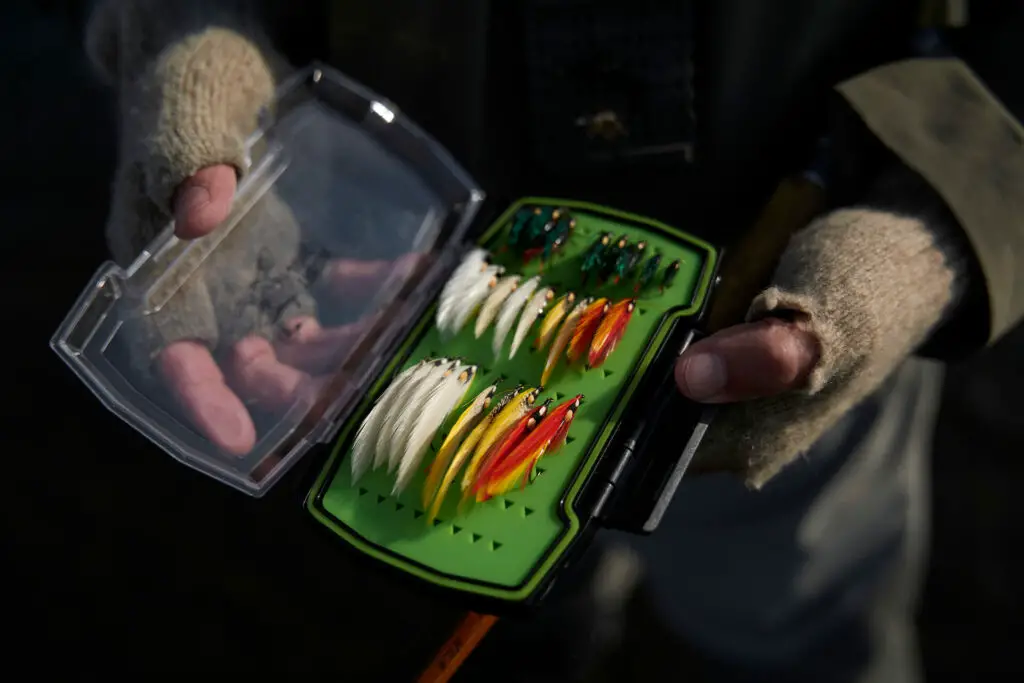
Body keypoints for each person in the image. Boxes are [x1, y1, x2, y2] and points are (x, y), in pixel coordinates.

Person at [82, 0, 1024, 681]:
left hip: (788, 272)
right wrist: (184, 26)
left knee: (798, 612)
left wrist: (936, 221)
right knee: (492, 572)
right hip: (389, 288)